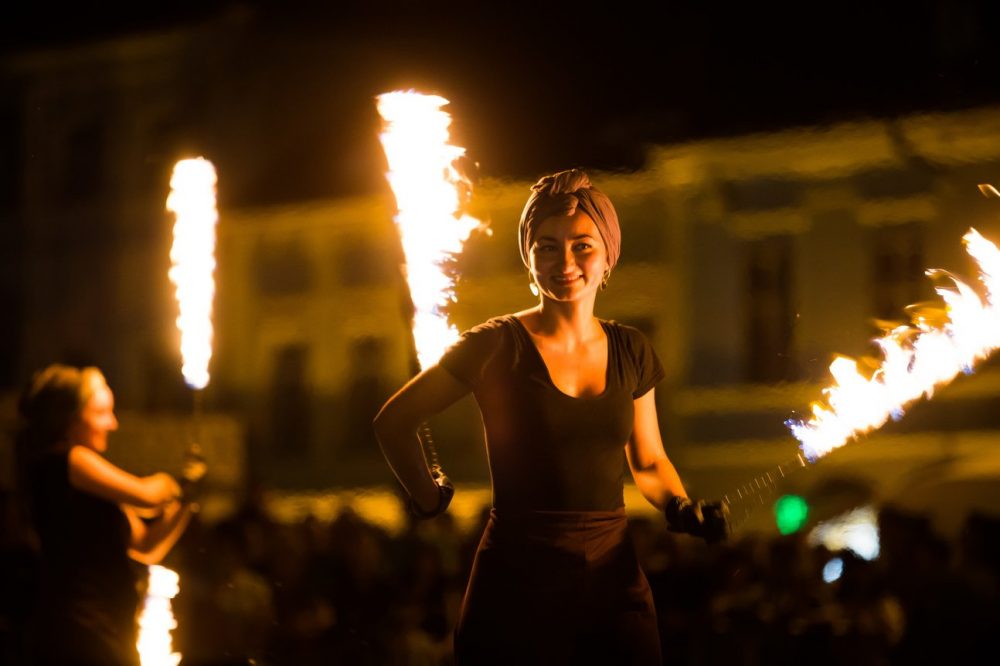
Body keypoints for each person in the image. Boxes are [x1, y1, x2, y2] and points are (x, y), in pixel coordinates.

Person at [374, 169, 730, 664]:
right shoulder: (494, 344)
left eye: (582, 245)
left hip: (613, 583)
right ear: (528, 256)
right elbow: (394, 422)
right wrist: (428, 497)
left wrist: (681, 507)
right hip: (517, 584)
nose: (565, 261)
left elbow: (648, 461)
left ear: (608, 255)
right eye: (546, 246)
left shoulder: (632, 349)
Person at [15, 364, 205, 665]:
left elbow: (146, 547)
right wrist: (176, 483)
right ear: (71, 417)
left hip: (107, 628)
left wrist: (187, 500)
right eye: (102, 413)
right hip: (77, 631)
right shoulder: (69, 461)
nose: (112, 424)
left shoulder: (90, 483)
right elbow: (148, 497)